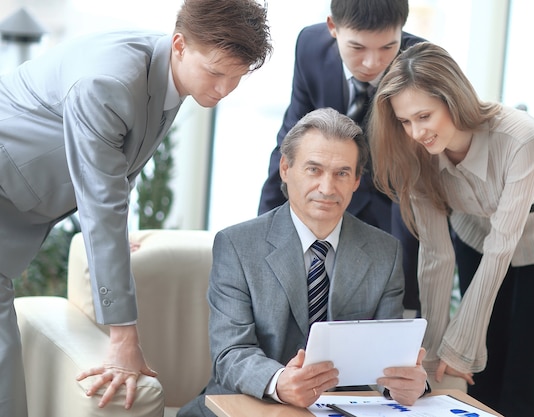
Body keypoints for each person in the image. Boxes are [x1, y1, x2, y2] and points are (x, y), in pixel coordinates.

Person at [0, 0, 272, 415]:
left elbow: (116, 169)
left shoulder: (171, 75)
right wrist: (124, 340)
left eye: (235, 78)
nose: (222, 89)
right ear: (180, 44)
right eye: (216, 73)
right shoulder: (108, 82)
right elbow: (102, 199)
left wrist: (110, 243)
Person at [368, 42, 534, 417]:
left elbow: (503, 245)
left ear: (452, 99)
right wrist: (432, 353)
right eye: (405, 122)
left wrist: (462, 342)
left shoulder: (522, 137)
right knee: (483, 376)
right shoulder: (417, 154)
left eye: (424, 116)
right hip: (477, 235)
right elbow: (436, 256)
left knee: (529, 374)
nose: (416, 132)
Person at [178, 107, 430, 417]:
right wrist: (279, 381)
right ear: (285, 168)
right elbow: (230, 353)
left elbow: (385, 357)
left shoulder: (384, 252)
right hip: (247, 403)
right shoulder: (237, 245)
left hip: (338, 409)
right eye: (314, 169)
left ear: (355, 181)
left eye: (341, 173)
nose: (327, 188)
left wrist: (404, 382)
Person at [257, 0, 426, 313]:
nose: (372, 62)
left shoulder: (418, 62)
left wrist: (405, 296)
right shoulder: (310, 47)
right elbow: (291, 144)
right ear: (333, 28)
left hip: (390, 205)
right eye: (358, 48)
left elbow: (411, 186)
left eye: (388, 46)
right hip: (325, 193)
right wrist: (264, 235)